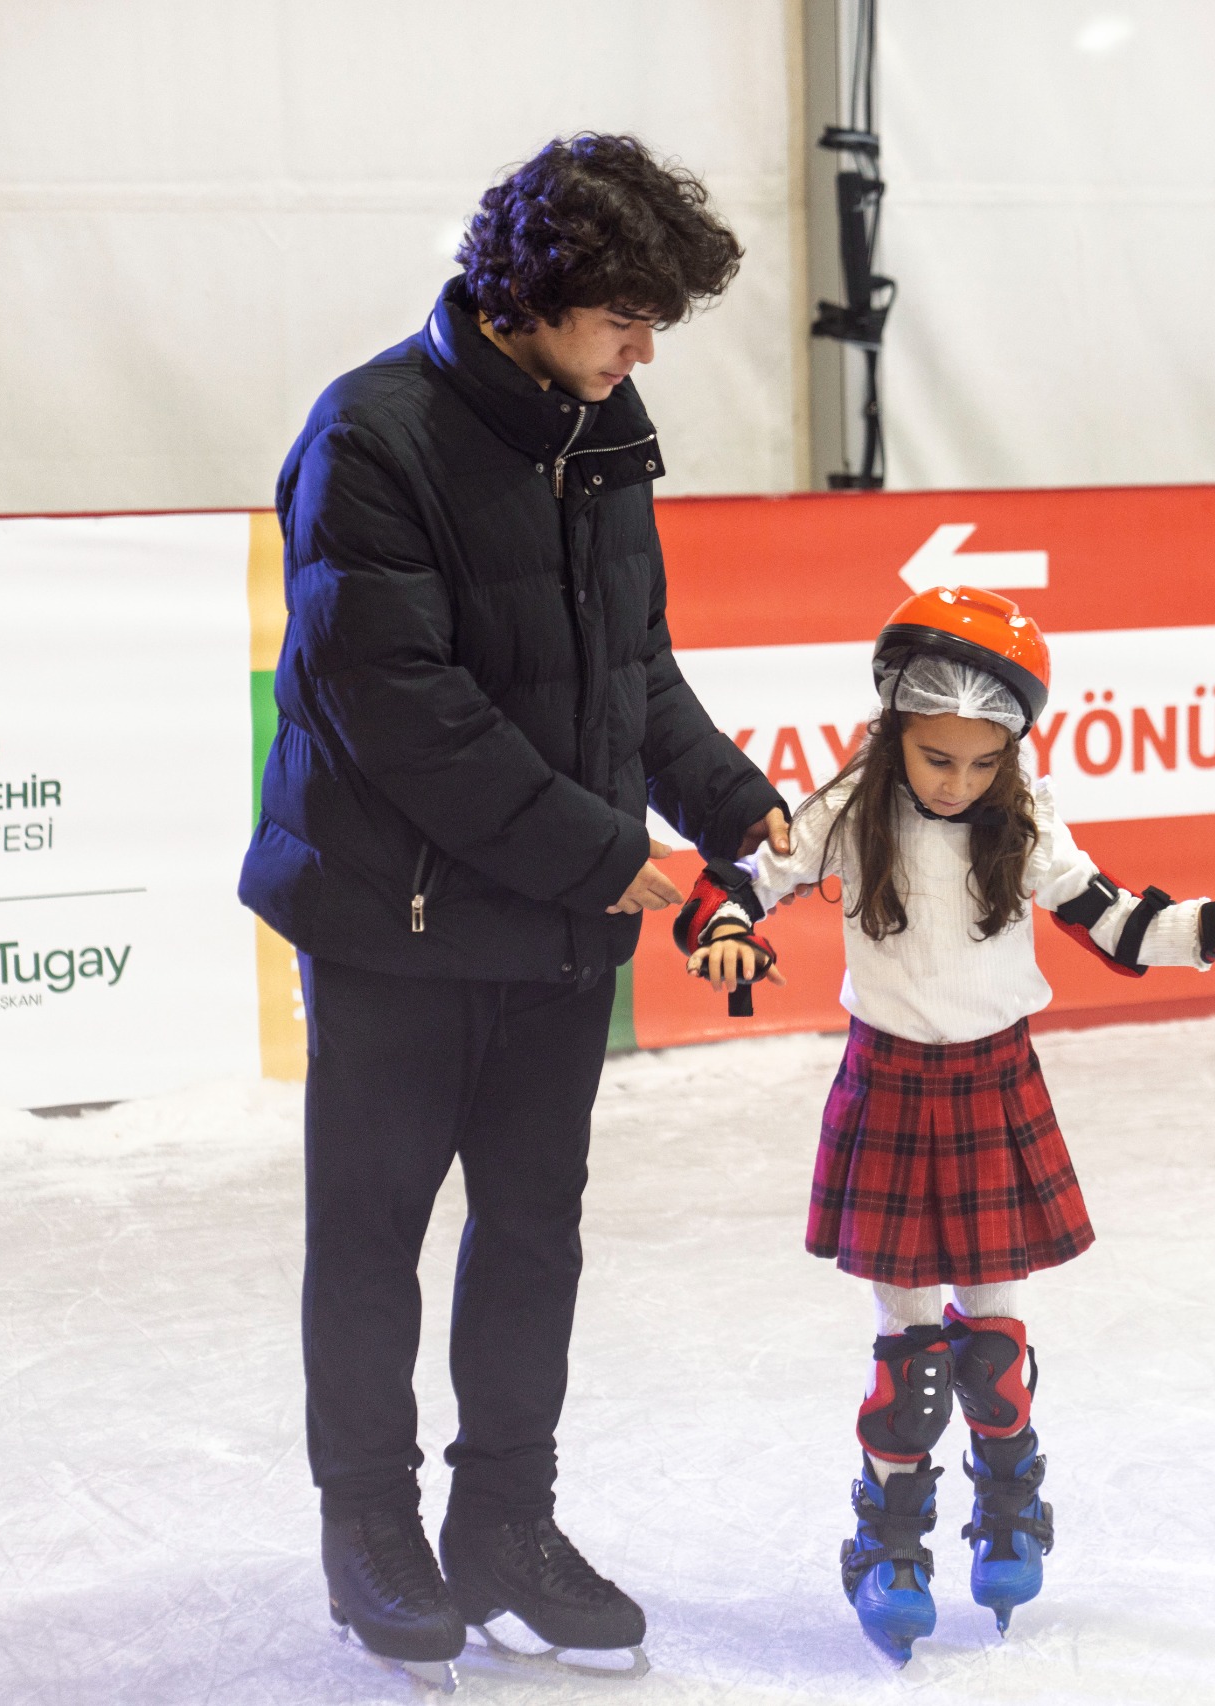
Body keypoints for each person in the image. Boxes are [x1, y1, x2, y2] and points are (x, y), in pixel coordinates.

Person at [238, 133, 788, 1685]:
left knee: (534, 1234)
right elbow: (393, 705)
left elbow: (632, 669)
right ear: (529, 297)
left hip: (553, 932)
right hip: (395, 924)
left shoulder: (601, 428)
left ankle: (505, 1525)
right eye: (625, 314)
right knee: (373, 1236)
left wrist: (735, 800)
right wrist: (598, 850)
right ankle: (372, 1527)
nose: (645, 347)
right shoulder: (373, 436)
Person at [674, 585, 1215, 1664]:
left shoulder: (1027, 816)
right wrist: (723, 924)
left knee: (995, 1356)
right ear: (894, 730)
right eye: (935, 757)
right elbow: (737, 876)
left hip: (993, 1082)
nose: (958, 780)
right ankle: (889, 1541)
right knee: (911, 1361)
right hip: (889, 1084)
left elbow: (1120, 922)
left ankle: (1011, 1503)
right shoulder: (845, 807)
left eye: (980, 761)